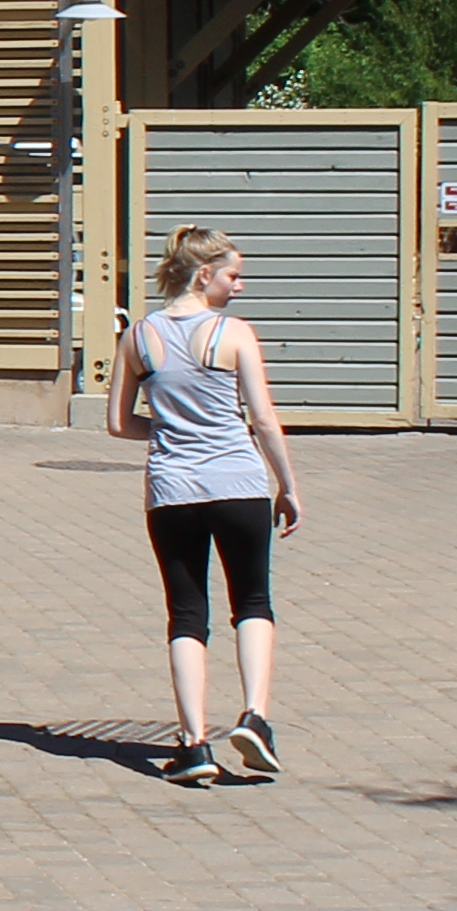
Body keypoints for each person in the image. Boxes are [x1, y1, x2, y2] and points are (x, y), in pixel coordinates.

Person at [117, 225, 301, 784]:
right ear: (204, 275)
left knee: (186, 613)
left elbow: (119, 423)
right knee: (252, 601)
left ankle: (194, 743)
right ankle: (254, 716)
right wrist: (288, 484)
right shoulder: (234, 333)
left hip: (172, 491)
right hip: (239, 484)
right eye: (232, 275)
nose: (239, 286)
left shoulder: (139, 338)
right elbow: (263, 419)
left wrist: (172, 427)